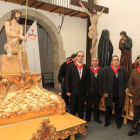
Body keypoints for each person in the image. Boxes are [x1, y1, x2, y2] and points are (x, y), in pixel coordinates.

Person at [103, 55, 128, 129]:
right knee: (108, 108)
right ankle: (107, 122)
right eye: (114, 60)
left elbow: (126, 80)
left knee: (118, 109)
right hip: (109, 93)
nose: (116, 61)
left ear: (118, 61)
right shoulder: (107, 69)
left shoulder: (123, 69)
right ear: (111, 61)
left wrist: (123, 88)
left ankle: (118, 123)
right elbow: (104, 82)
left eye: (117, 60)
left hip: (119, 93)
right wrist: (105, 91)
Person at [65, 51, 90, 119]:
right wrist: (67, 90)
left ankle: (80, 124)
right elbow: (67, 79)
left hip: (82, 92)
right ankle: (73, 124)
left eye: (82, 56)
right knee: (72, 109)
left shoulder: (86, 67)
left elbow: (88, 80)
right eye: (79, 56)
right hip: (73, 91)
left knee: (81, 109)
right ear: (76, 57)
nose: (80, 57)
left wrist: (87, 91)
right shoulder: (71, 66)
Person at [4, 10, 28, 74]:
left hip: (17, 45)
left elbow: (20, 37)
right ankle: (21, 69)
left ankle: (24, 68)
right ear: (13, 15)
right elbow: (8, 33)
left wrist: (22, 38)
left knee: (24, 51)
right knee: (19, 51)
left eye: (19, 15)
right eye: (17, 14)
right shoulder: (7, 23)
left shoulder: (20, 26)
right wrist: (19, 36)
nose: (19, 16)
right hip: (10, 45)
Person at [86, 57, 104, 124]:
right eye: (93, 61)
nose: (95, 62)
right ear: (91, 62)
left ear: (98, 62)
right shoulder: (88, 69)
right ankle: (87, 118)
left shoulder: (102, 70)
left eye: (96, 61)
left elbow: (104, 81)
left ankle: (96, 118)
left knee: (97, 105)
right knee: (89, 105)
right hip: (90, 91)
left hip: (98, 91)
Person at [128, 58, 140, 136]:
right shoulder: (134, 71)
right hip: (137, 96)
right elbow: (130, 83)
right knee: (136, 114)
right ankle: (134, 129)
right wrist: (133, 92)